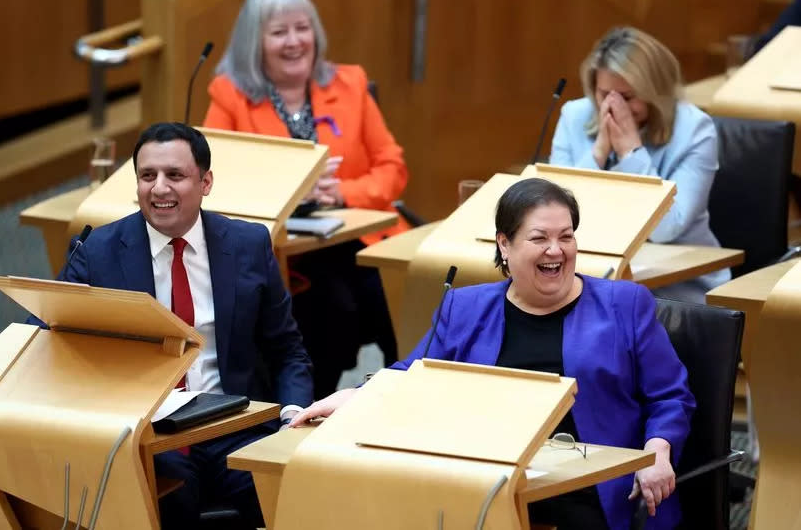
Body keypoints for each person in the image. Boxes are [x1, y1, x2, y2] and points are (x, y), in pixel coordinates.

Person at [291, 178, 696, 530]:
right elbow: (413, 373)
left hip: (594, 487)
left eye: (566, 236)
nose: (556, 250)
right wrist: (356, 394)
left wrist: (658, 449)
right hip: (490, 476)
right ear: (504, 244)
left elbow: (670, 395)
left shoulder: (624, 304)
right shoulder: (464, 308)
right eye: (539, 238)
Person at [39, 122, 313, 529]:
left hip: (236, 424)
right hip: (150, 434)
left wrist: (293, 417)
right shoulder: (97, 252)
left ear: (205, 182)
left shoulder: (248, 245)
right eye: (147, 176)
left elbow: (287, 349)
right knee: (171, 501)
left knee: (294, 493)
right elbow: (42, 335)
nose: (159, 189)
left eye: (175, 175)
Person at [203, 0, 407, 397]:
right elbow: (214, 179)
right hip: (287, 248)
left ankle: (396, 404)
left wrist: (342, 192)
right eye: (279, 32)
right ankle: (309, 407)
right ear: (254, 42)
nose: (295, 41)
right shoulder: (229, 96)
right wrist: (291, 191)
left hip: (360, 234)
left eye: (303, 28)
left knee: (401, 302)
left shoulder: (350, 83)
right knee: (334, 309)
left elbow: (393, 167)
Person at [549, 26, 729, 303]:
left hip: (676, 288)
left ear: (656, 91)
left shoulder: (695, 130)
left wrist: (630, 152)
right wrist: (598, 151)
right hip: (590, 277)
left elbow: (666, 229)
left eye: (627, 97)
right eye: (603, 93)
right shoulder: (575, 116)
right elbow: (554, 215)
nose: (612, 106)